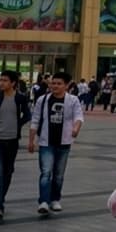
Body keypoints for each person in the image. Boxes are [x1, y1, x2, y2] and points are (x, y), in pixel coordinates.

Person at [28, 71, 84, 215]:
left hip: (64, 142)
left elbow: (79, 116)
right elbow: (35, 119)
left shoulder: (73, 100)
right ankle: (44, 201)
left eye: (59, 84)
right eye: (53, 83)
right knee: (46, 172)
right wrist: (31, 140)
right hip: (46, 142)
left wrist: (76, 128)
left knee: (58, 174)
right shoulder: (43, 100)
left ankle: (55, 199)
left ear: (66, 85)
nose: (55, 86)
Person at [0, 69, 31, 222]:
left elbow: (28, 115)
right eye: (0, 80)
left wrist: (18, 125)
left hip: (12, 141)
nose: (1, 83)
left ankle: (0, 198)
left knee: (8, 172)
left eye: (5, 80)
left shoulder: (20, 98)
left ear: (13, 83)